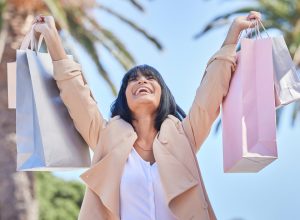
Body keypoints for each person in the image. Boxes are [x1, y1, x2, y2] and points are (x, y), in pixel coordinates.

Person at [32, 11, 261, 220]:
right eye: (133, 79)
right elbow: (78, 98)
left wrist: (233, 35)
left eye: (150, 78)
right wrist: (53, 39)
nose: (141, 80)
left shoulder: (184, 137)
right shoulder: (106, 138)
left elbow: (209, 96)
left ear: (164, 95)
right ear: (124, 98)